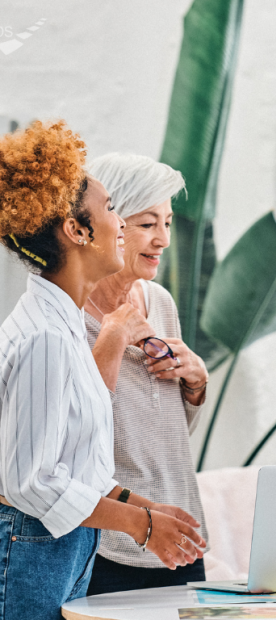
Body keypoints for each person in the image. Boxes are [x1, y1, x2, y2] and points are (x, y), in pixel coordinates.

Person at [0, 121, 205, 620]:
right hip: (37, 552)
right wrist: (140, 525)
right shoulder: (47, 336)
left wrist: (142, 507)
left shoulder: (61, 322)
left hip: (63, 548)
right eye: (113, 210)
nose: (123, 227)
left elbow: (74, 461)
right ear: (78, 231)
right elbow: (32, 483)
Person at [79, 153, 211, 595]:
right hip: (109, 545)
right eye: (148, 223)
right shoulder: (71, 320)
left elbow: (167, 433)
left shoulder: (160, 302)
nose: (163, 239)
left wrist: (195, 383)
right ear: (108, 223)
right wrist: (113, 338)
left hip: (182, 533)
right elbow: (75, 433)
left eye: (167, 223)